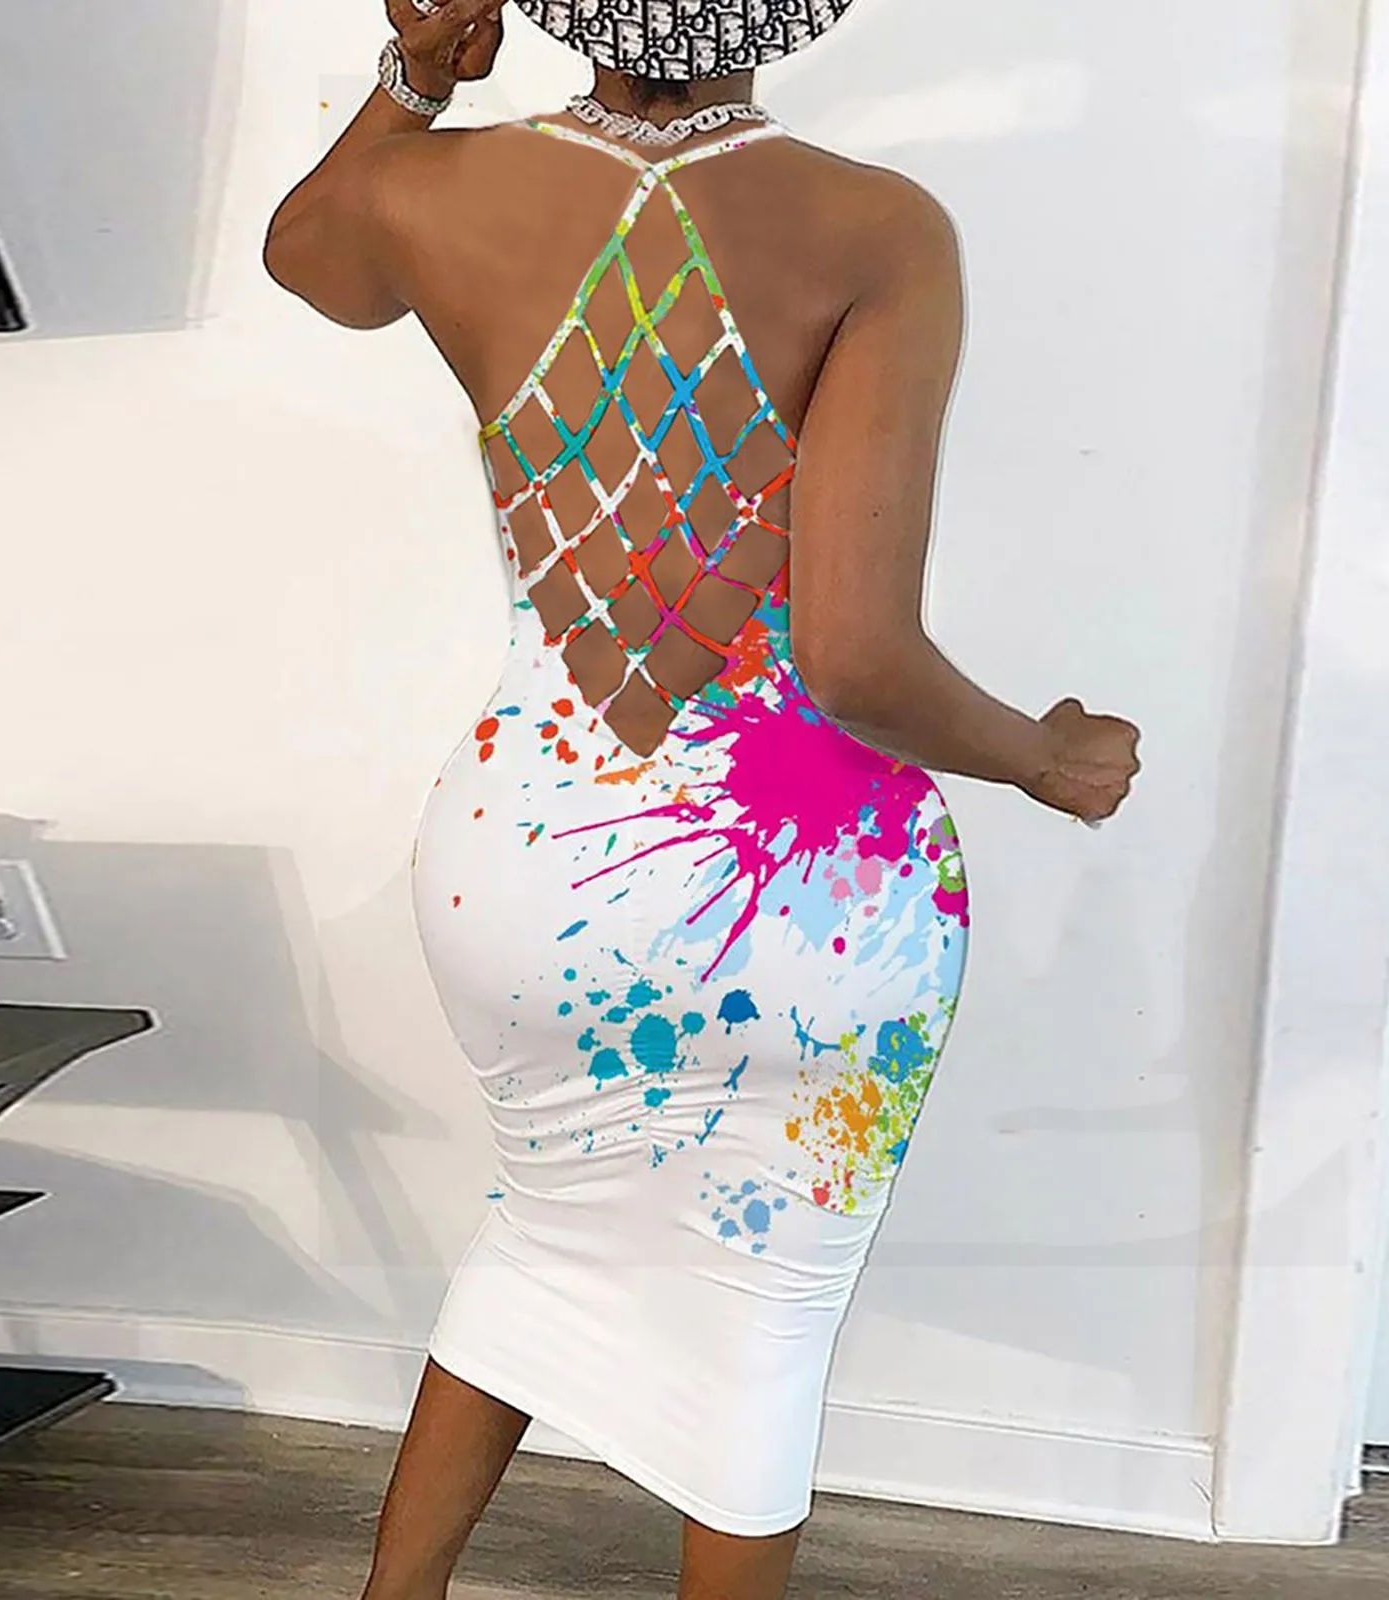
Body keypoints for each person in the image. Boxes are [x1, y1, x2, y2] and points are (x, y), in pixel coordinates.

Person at [264, 3, 1141, 1595]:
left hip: (523, 859)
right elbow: (857, 661)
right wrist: (1046, 756)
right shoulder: (879, 229)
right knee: (759, 1319)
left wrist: (415, 85)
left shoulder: (425, 192)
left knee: (542, 1225)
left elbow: (307, 264)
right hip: (805, 889)